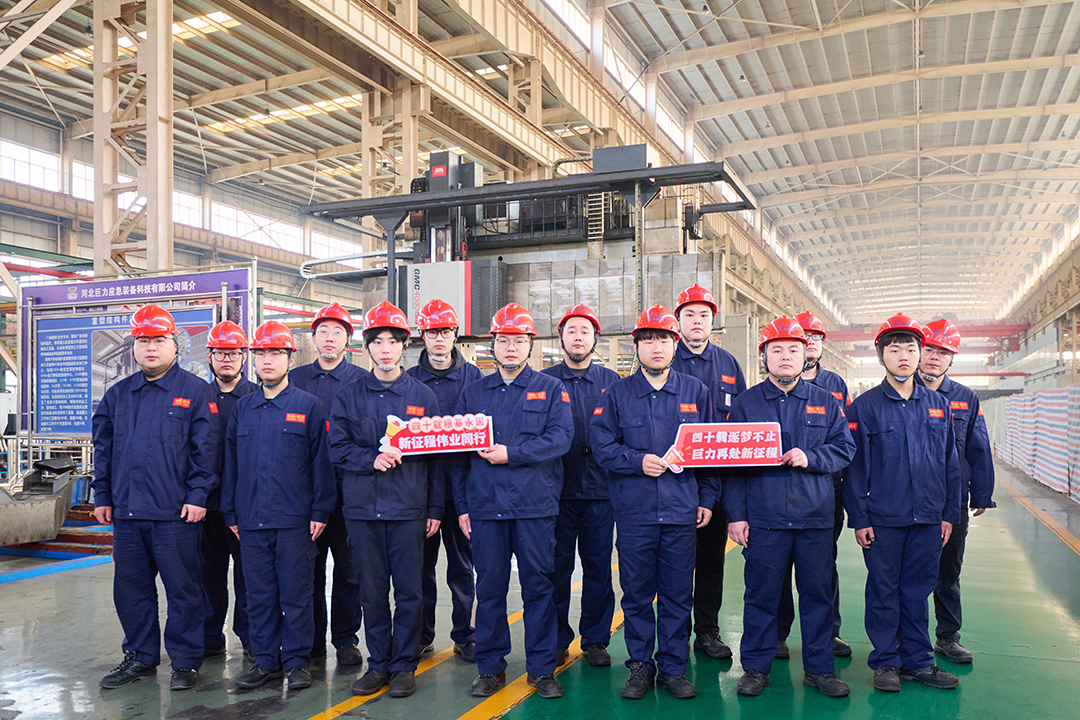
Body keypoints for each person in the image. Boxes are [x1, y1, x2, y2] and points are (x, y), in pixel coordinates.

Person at [591, 305, 717, 700]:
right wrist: (636, 461)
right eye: (647, 340)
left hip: (681, 511)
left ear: (675, 344)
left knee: (678, 595)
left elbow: (710, 449)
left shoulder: (696, 392)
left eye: (663, 339)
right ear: (637, 347)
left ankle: (674, 669)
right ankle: (641, 667)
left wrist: (708, 497)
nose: (656, 347)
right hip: (636, 513)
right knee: (637, 594)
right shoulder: (617, 394)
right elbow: (601, 445)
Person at [93, 304, 220, 691]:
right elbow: (104, 449)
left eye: (159, 340)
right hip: (128, 515)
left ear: (175, 345)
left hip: (175, 515)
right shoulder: (118, 395)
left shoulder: (195, 392)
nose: (150, 347)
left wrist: (198, 496)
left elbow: (206, 450)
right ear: (133, 346)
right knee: (131, 590)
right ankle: (140, 657)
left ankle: (185, 662)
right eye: (143, 340)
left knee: (183, 590)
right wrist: (103, 495)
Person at [726, 317, 855, 698]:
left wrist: (811, 457)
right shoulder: (747, 403)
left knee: (817, 597)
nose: (785, 356)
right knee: (761, 596)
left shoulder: (825, 402)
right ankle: (756, 668)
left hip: (814, 518)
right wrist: (737, 515)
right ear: (764, 356)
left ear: (805, 355)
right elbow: (731, 465)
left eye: (793, 349)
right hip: (764, 519)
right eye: (777, 349)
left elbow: (844, 449)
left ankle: (820, 670)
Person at [453, 303, 573, 699]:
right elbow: (458, 455)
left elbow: (560, 439)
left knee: (539, 586)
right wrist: (463, 506)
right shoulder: (473, 392)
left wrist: (512, 454)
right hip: (486, 507)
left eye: (518, 341)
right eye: (503, 340)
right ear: (492, 344)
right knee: (490, 588)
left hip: (534, 506)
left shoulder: (551, 389)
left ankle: (542, 668)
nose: (510, 347)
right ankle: (490, 667)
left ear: (529, 345)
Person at [330, 302, 443, 699]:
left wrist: (435, 509)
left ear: (404, 347)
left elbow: (436, 459)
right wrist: (370, 459)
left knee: (410, 591)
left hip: (409, 510)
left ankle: (404, 665)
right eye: (377, 341)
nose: (385, 349)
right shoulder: (348, 396)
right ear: (367, 347)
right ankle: (378, 663)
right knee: (372, 591)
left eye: (393, 341)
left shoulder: (423, 396)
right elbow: (337, 447)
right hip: (362, 510)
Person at [845, 313, 962, 692]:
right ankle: (885, 662)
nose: (903, 356)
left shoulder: (938, 405)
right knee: (883, 591)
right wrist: (859, 518)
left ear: (919, 354)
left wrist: (949, 514)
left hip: (928, 518)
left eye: (910, 349)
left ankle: (918, 662)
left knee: (917, 592)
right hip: (883, 519)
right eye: (894, 350)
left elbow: (950, 463)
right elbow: (856, 469)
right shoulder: (864, 407)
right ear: (882, 356)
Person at [222, 321, 335, 691]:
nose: (267, 360)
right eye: (261, 353)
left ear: (290, 358)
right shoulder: (243, 409)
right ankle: (267, 662)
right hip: (251, 519)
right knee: (259, 596)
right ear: (253, 359)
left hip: (295, 521)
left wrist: (320, 511)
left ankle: (298, 662)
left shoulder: (309, 406)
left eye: (275, 353)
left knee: (297, 595)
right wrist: (230, 512)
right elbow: (231, 465)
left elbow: (321, 464)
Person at [541, 304, 620, 668]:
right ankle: (557, 639)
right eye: (571, 331)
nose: (577, 337)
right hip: (556, 492)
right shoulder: (544, 382)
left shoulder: (612, 383)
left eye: (584, 331)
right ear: (561, 338)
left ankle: (595, 639)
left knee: (598, 568)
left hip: (601, 493)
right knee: (556, 570)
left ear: (595, 339)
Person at [670, 283, 744, 660]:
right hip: (677, 480)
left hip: (720, 478)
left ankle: (708, 631)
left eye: (704, 315)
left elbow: (744, 419)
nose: (697, 321)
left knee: (713, 560)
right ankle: (676, 632)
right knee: (676, 562)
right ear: (678, 320)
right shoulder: (665, 358)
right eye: (689, 314)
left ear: (713, 321)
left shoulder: (729, 364)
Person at [290, 302, 367, 666]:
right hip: (305, 493)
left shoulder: (362, 382)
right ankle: (311, 640)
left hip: (350, 490)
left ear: (348, 339)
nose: (330, 338)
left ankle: (346, 639)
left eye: (338, 331)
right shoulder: (295, 379)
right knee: (308, 571)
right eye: (323, 331)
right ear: (314, 337)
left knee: (350, 571)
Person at [774, 311, 853, 660]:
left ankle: (828, 634)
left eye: (813, 338)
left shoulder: (835, 386)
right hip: (776, 493)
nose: (807, 344)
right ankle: (776, 635)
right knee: (776, 569)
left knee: (822, 566)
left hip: (824, 492)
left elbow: (844, 442)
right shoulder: (764, 392)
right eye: (799, 339)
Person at [406, 299, 483, 662]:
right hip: (419, 491)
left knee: (462, 567)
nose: (439, 338)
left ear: (455, 334)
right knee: (420, 568)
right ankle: (422, 634)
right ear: (422, 335)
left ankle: (465, 635)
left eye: (445, 331)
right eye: (432, 331)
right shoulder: (408, 381)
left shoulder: (474, 379)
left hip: (463, 491)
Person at [917, 318, 996, 664]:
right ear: (918, 352)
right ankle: (908, 639)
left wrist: (982, 493)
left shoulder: (965, 398)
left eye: (943, 352)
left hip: (952, 499)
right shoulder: (897, 394)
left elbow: (978, 446)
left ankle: (948, 637)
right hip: (907, 499)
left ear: (951, 359)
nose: (935, 357)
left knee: (948, 572)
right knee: (910, 574)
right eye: (930, 349)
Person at [201, 321, 258, 663]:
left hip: (245, 504)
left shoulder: (257, 397)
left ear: (243, 357)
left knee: (249, 574)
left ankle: (251, 637)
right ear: (209, 356)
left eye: (233, 353)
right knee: (208, 572)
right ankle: (209, 637)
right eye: (220, 353)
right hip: (206, 504)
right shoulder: (198, 396)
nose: (227, 359)